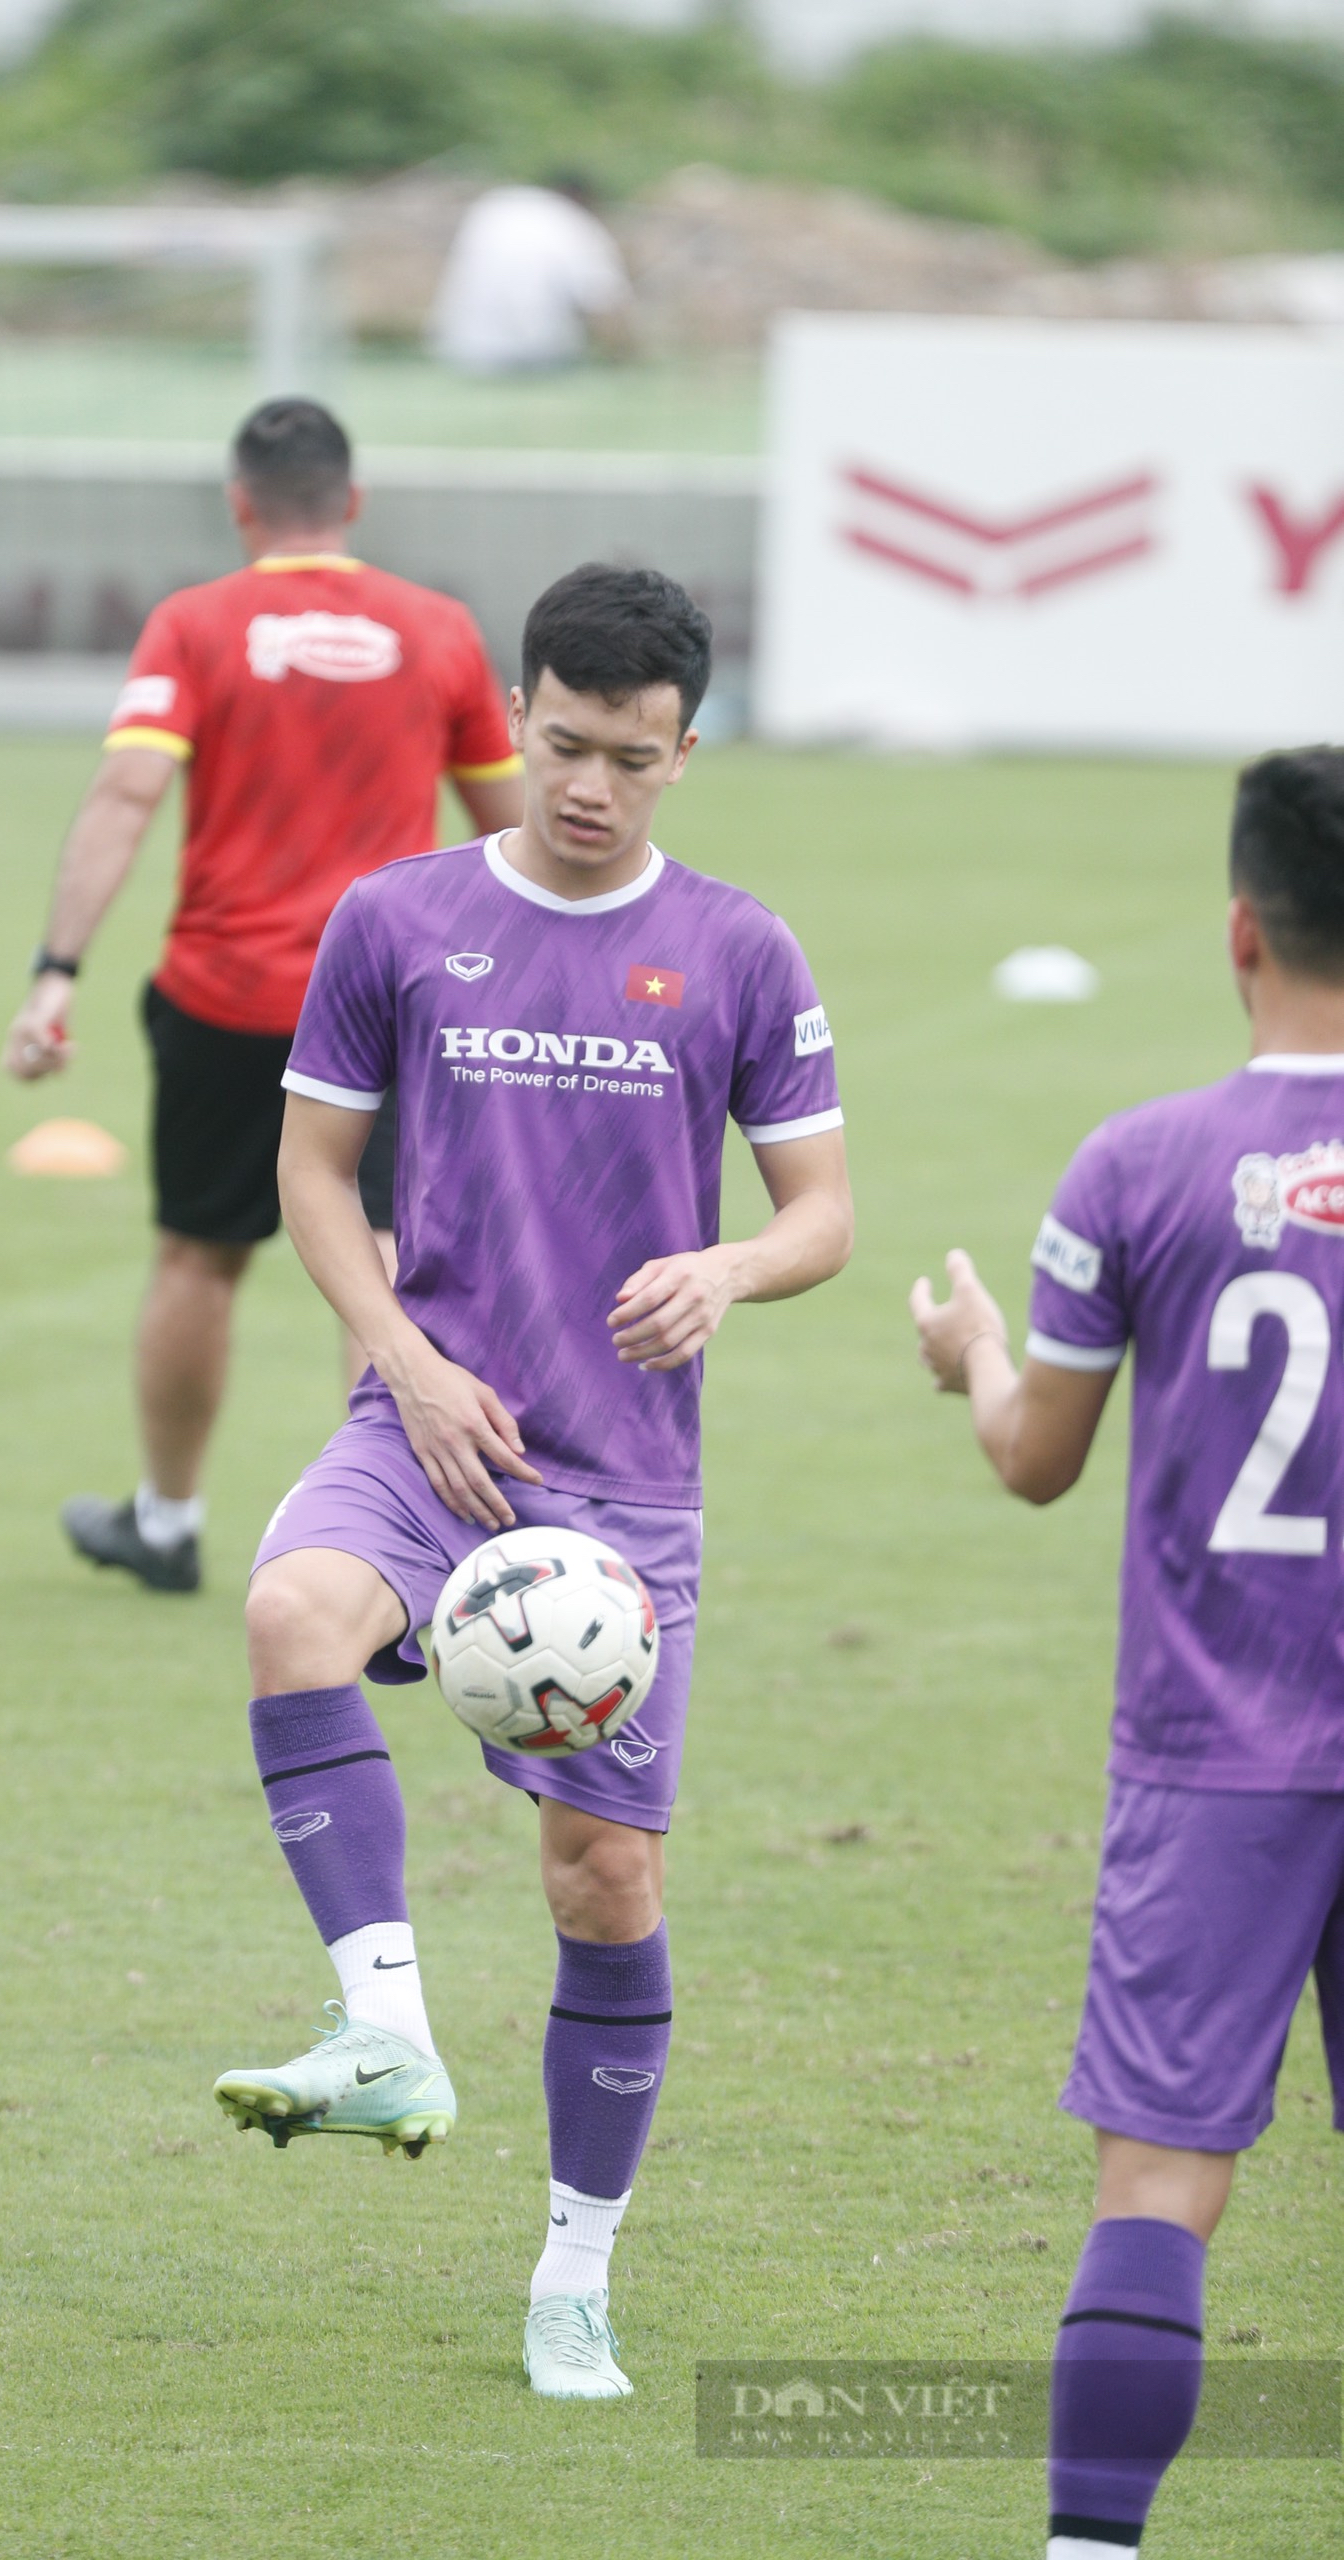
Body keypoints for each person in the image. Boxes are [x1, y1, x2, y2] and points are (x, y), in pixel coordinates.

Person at [212, 564, 853, 2400]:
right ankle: (388, 2029)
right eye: (560, 745)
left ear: (684, 753)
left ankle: (575, 2266)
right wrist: (400, 1359)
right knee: (289, 1614)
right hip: (426, 1428)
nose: (586, 786)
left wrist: (726, 1271)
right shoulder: (399, 918)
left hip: (622, 1489)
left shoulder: (741, 950)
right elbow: (317, 1173)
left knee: (600, 1886)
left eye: (628, 759)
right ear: (519, 718)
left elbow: (821, 1215)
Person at [909, 746, 1344, 2560]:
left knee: (1160, 2185)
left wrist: (970, 1359)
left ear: (1238, 926)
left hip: (1211, 1754)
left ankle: (1090, 2550)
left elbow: (1035, 1463)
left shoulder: (1136, 1165)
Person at [1, 397, 523, 1597]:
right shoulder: (435, 629)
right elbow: (510, 831)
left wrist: (55, 970)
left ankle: (169, 1521)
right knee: (383, 1261)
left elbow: (125, 796)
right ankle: (399, 1542)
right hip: (392, 1001)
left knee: (198, 1256)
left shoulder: (193, 625)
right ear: (351, 501)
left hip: (226, 994)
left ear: (239, 503)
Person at [430, 178, 633, 374]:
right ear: (582, 198)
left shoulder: (494, 205)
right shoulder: (572, 220)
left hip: (465, 352)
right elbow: (604, 301)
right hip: (539, 355)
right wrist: (624, 356)